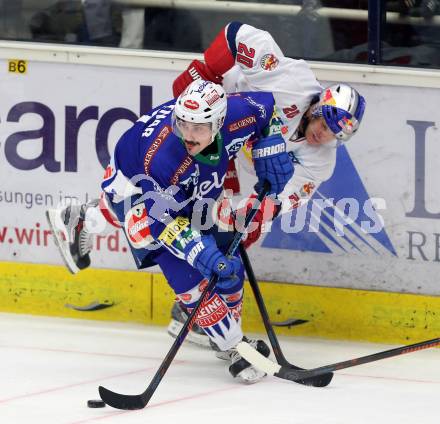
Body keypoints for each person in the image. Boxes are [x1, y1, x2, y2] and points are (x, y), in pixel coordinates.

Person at [46, 79, 294, 384]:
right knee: (172, 256)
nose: (188, 135)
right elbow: (160, 222)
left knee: (227, 261)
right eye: (183, 124)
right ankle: (234, 347)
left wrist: (272, 143)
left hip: (184, 177)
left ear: (219, 122)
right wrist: (200, 253)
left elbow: (268, 109)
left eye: (198, 127)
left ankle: (80, 218)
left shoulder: (239, 114)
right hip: (134, 181)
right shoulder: (166, 158)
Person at [168, 21, 366, 346]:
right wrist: (206, 69)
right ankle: (87, 217)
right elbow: (237, 33)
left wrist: (257, 211)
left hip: (228, 151)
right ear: (318, 105)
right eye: (325, 122)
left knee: (236, 233)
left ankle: (195, 310)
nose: (325, 134)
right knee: (167, 193)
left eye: (336, 133)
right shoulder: (293, 82)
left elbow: (285, 195)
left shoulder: (321, 160)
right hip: (207, 119)